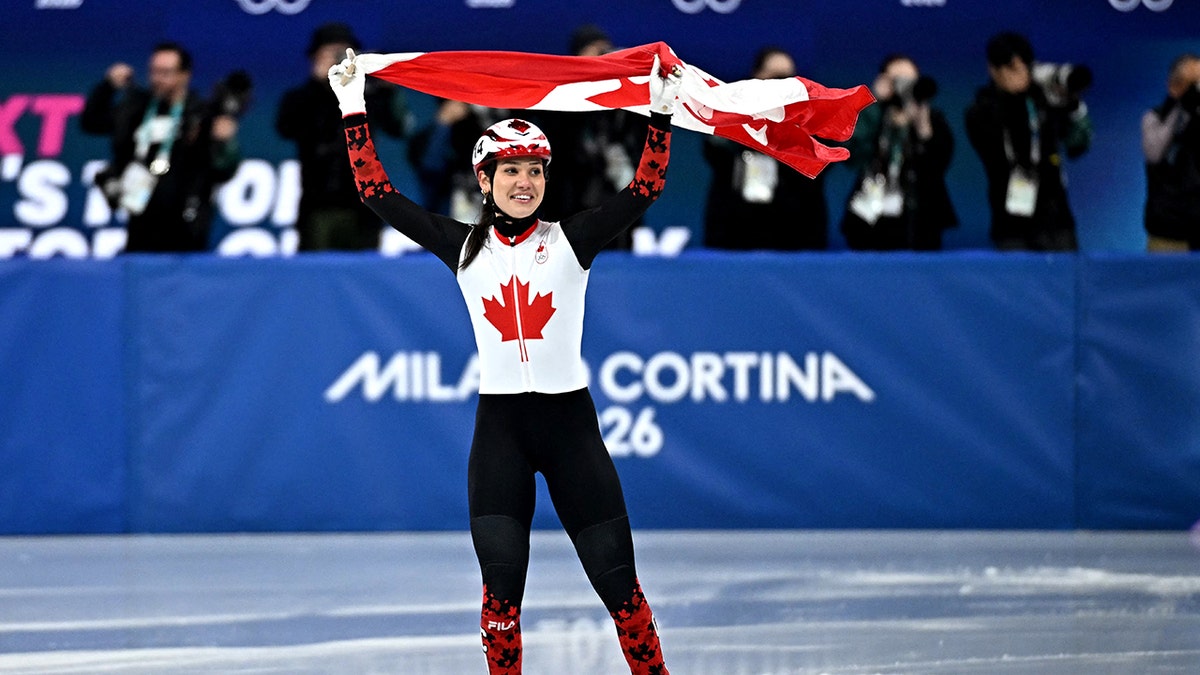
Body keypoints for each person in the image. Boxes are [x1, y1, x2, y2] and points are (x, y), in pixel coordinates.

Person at [328, 48, 680, 675]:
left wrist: (660, 110)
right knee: (499, 605)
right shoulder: (460, 247)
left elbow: (645, 187)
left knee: (624, 596)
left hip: (572, 434)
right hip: (501, 439)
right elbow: (375, 191)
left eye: (535, 172)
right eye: (510, 171)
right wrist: (353, 105)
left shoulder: (571, 240)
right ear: (484, 182)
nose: (525, 182)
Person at [81, 42, 242, 252]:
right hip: (141, 219)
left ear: (184, 75)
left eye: (166, 72)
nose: (158, 79)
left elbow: (224, 170)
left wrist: (225, 142)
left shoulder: (202, 115)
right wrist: (107, 88)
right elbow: (91, 122)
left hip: (186, 224)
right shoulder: (135, 109)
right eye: (154, 72)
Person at [276, 23, 410, 251]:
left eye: (343, 52)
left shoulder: (368, 94)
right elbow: (285, 127)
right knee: (317, 275)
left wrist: (388, 87)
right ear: (315, 57)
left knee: (362, 276)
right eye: (330, 51)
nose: (337, 58)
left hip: (364, 206)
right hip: (317, 205)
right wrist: (319, 83)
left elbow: (398, 128)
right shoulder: (301, 96)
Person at [965, 32, 1093, 251]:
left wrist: (1071, 105)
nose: (1021, 75)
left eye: (1025, 66)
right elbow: (994, 154)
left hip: (1057, 219)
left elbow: (1077, 146)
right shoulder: (980, 110)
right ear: (993, 70)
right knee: (1017, 283)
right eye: (1012, 68)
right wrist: (1018, 98)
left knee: (1063, 281)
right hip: (1011, 222)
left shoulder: (1044, 100)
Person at [531, 25, 649, 250]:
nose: (601, 58)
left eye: (605, 52)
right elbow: (559, 141)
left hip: (616, 202)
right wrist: (584, 82)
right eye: (594, 52)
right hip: (572, 203)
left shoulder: (622, 98)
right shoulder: (561, 95)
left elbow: (639, 137)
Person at [703, 46, 829, 251]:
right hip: (737, 226)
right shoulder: (733, 110)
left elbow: (825, 159)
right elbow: (714, 151)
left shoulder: (808, 117)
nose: (780, 86)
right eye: (775, 78)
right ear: (756, 78)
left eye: (787, 79)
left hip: (792, 228)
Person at [840, 54, 957, 251]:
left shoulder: (933, 120)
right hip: (870, 221)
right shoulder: (873, 117)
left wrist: (923, 127)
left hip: (920, 222)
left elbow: (938, 165)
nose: (905, 87)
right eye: (898, 80)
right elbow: (852, 155)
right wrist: (873, 106)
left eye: (911, 81)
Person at [1142, 53, 1200, 253]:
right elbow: (1155, 153)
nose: (1196, 90)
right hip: (1168, 236)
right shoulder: (1155, 117)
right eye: (1191, 83)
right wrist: (1179, 106)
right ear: (1173, 84)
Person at [406, 98, 492, 222]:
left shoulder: (486, 139)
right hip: (448, 221)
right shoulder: (426, 140)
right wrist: (443, 123)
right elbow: (431, 168)